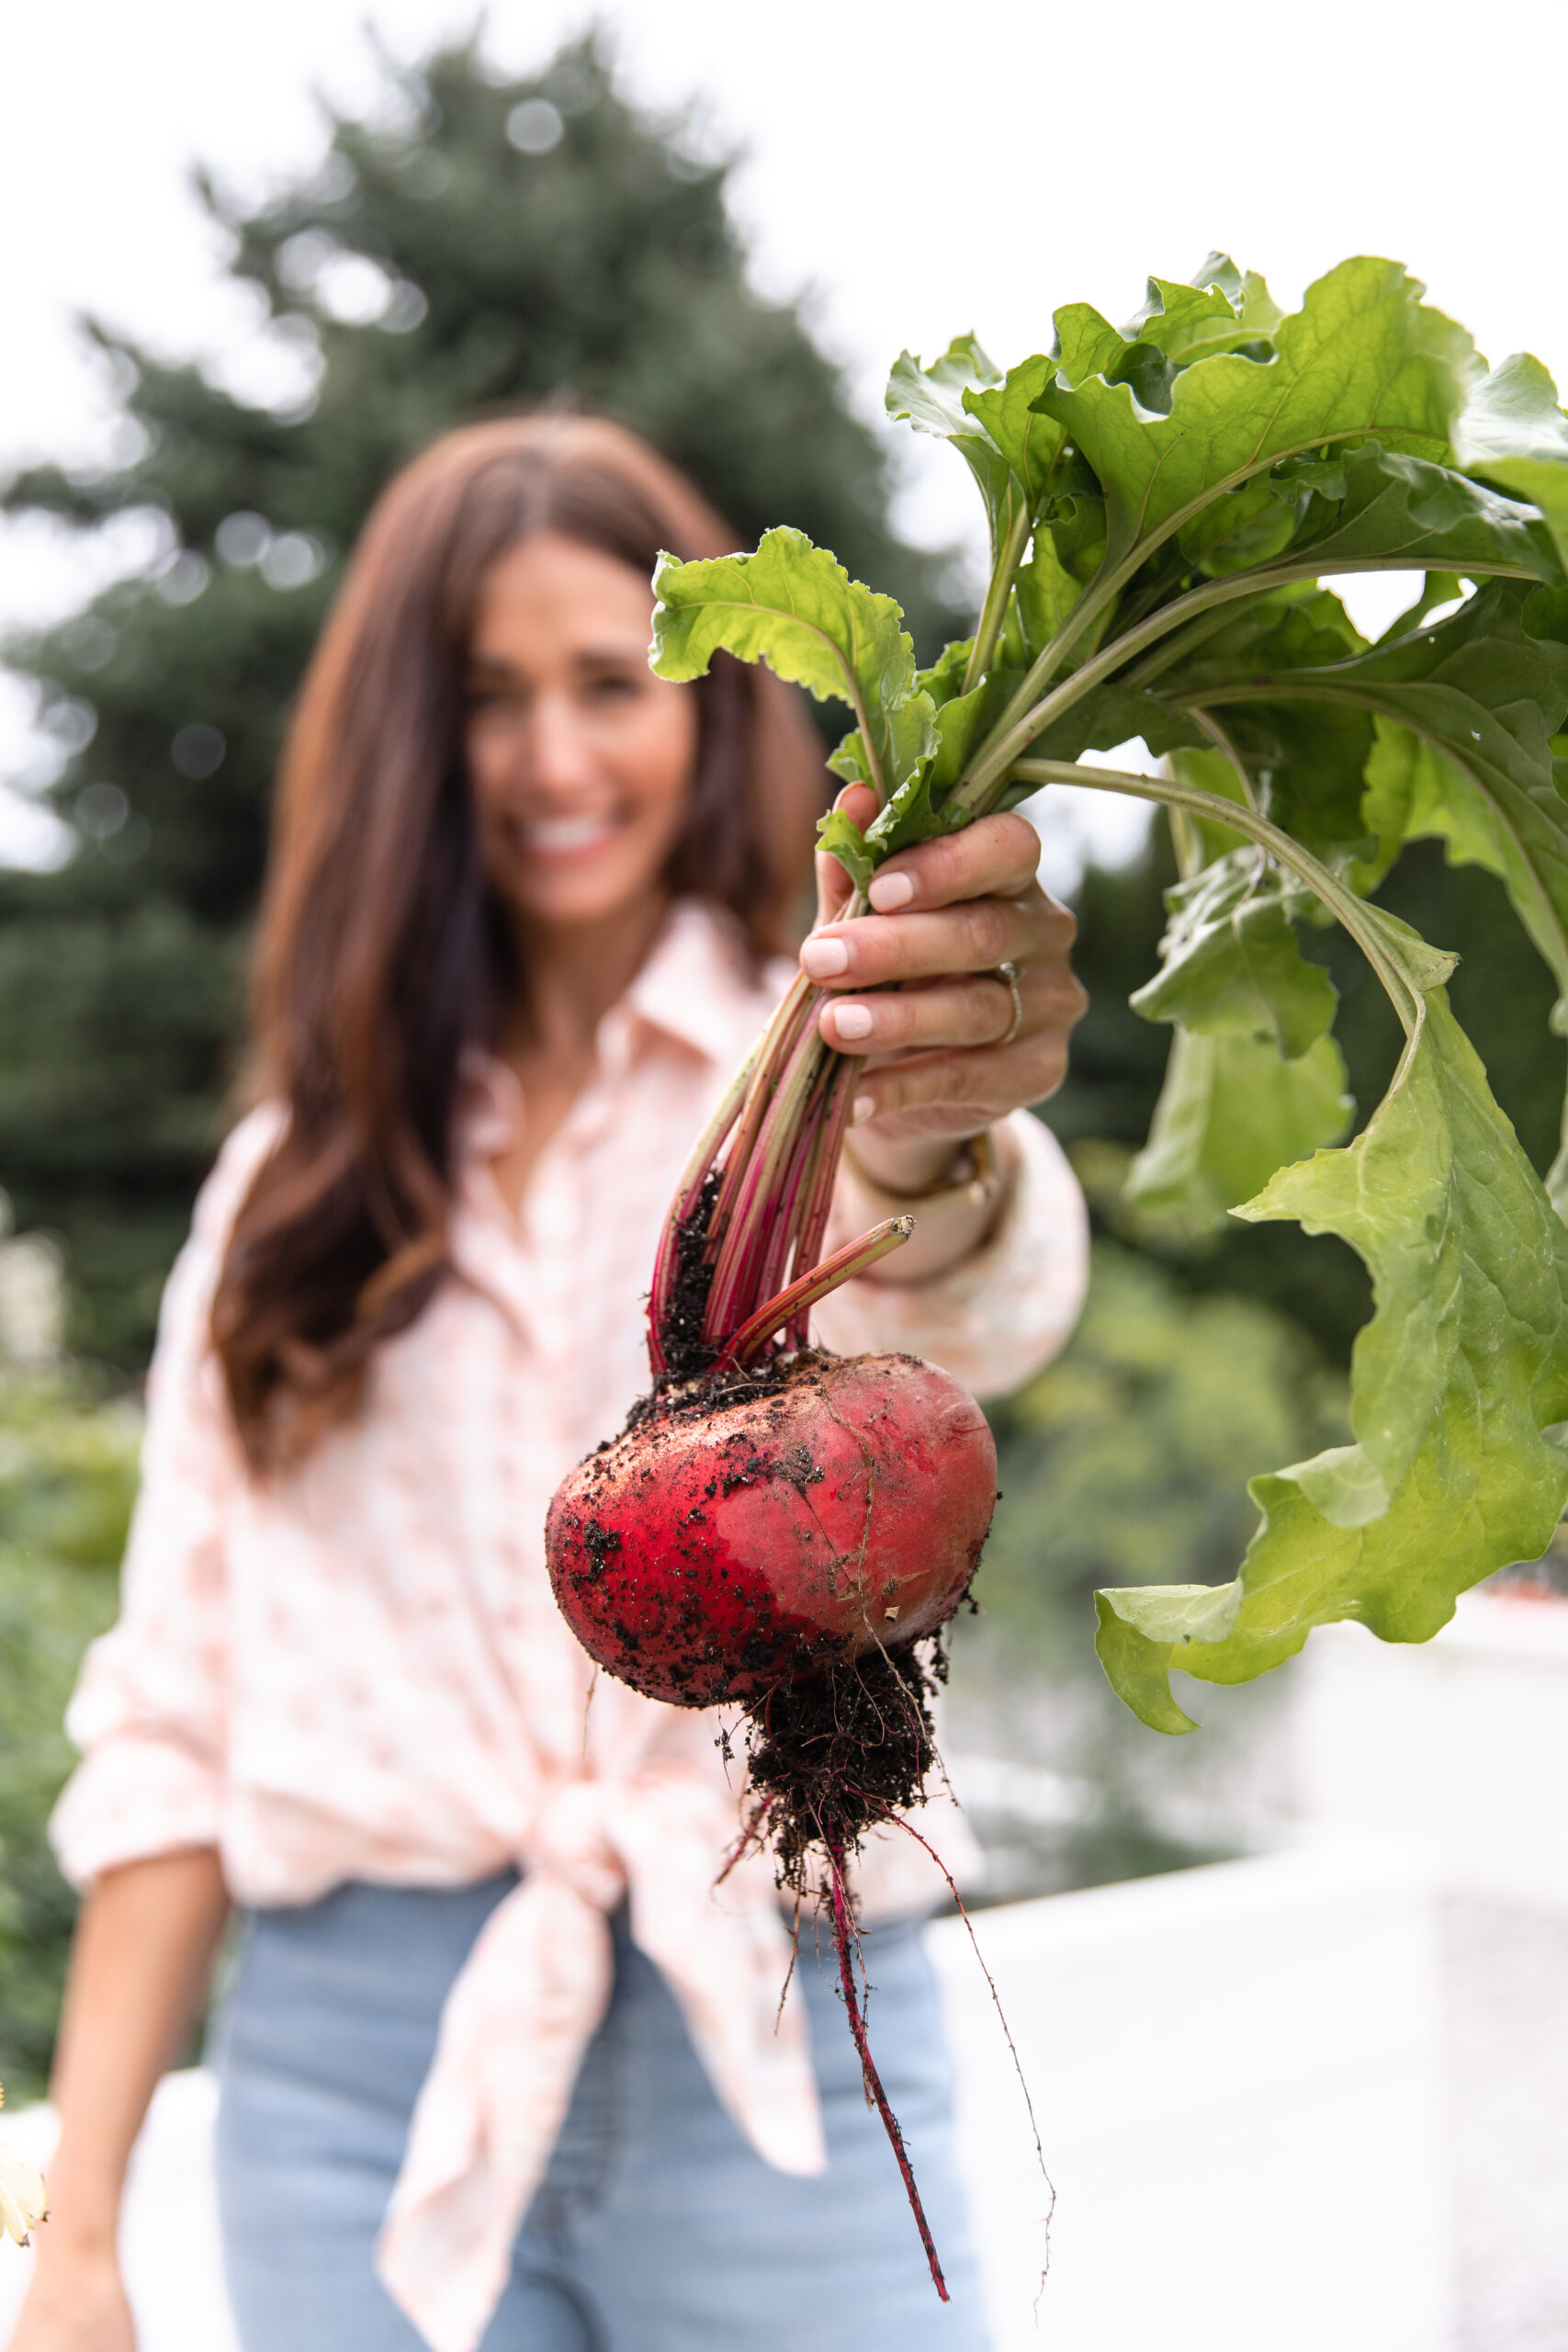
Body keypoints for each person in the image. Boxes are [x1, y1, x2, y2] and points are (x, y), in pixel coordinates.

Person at [14, 416, 1089, 2352]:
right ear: (408, 750)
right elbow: (171, 1705)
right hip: (357, 2060)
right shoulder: (295, 1186)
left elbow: (971, 1277)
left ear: (705, 710)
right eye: (485, 700)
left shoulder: (818, 1057)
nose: (553, 756)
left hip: (779, 2023)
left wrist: (936, 1106)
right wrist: (72, 2235)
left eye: (608, 681)